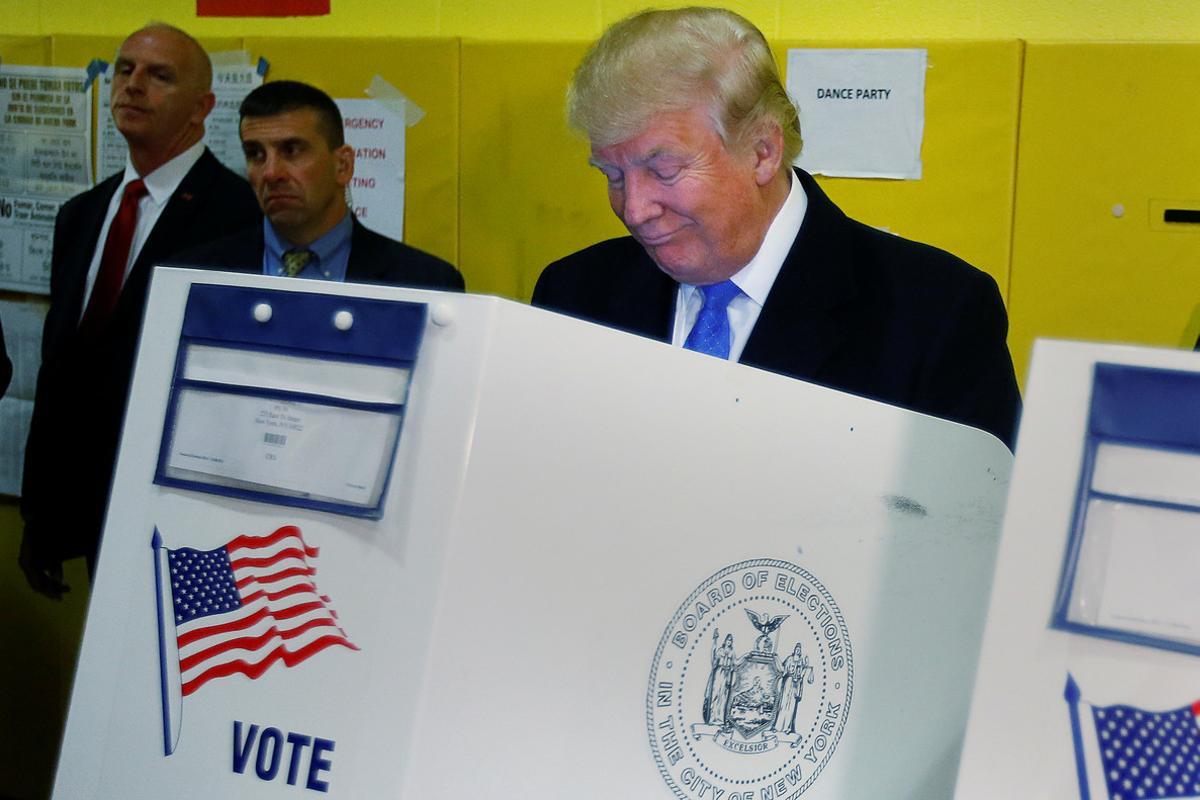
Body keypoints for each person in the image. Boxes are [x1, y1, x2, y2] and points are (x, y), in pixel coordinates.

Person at [532, 7, 1020, 448]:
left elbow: (980, 531)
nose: (634, 209)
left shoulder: (937, 315)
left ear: (763, 151)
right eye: (613, 176)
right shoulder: (573, 296)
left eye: (664, 171)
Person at [19, 24, 261, 598]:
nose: (132, 86)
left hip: (186, 512)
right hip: (87, 503)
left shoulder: (240, 218)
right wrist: (43, 513)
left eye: (158, 76)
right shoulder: (82, 214)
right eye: (124, 69)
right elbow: (62, 371)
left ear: (203, 107)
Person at [177, 80, 464, 291]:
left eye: (292, 150)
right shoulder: (196, 275)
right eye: (256, 154)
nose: (271, 172)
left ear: (343, 166)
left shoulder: (421, 282)